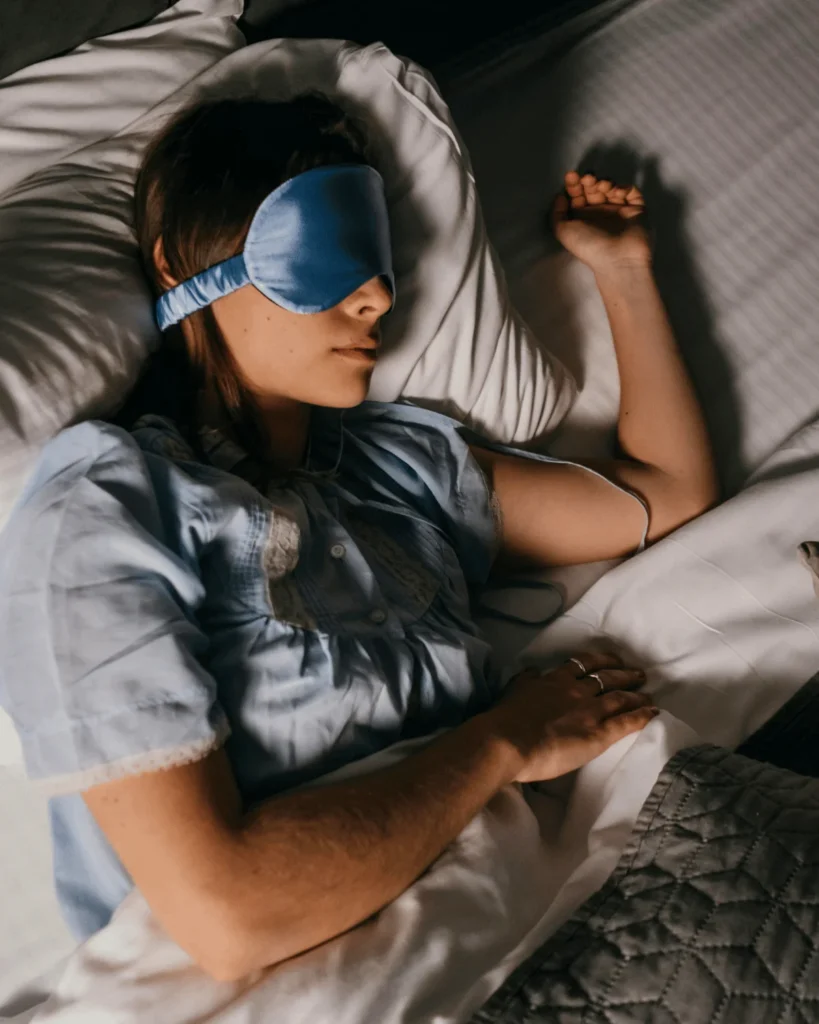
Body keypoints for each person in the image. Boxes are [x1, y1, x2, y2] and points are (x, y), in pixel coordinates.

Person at [0, 94, 717, 981]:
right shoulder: (105, 509)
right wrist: (504, 740)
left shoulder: (401, 467)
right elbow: (229, 917)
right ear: (180, 263)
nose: (377, 294)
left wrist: (623, 270)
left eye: (376, 258)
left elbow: (666, 494)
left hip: (533, 917)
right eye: (324, 252)